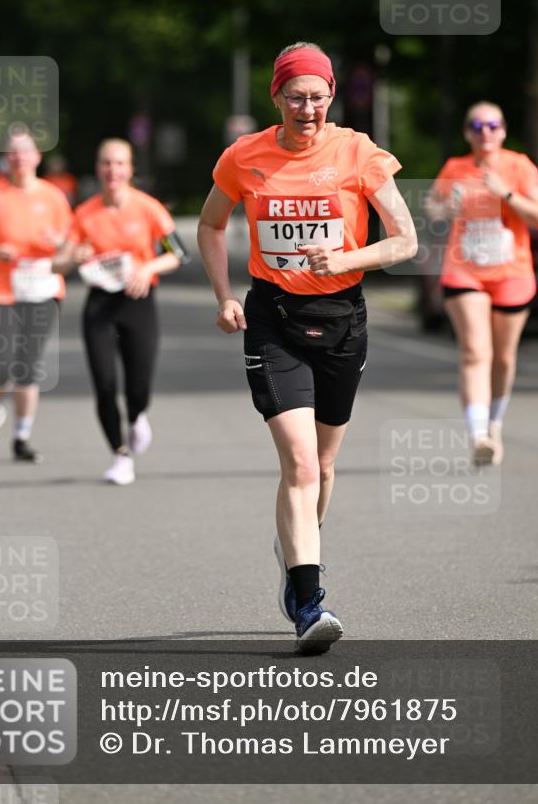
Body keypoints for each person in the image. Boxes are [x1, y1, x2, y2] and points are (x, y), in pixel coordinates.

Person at [198, 42, 417, 652]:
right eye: (296, 97)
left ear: (331, 97)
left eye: (318, 96)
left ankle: (298, 549)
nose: (308, 109)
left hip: (343, 318)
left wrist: (344, 258)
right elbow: (210, 224)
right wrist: (224, 295)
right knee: (297, 462)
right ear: (277, 97)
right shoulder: (245, 156)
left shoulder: (357, 152)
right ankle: (309, 601)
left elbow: (404, 241)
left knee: (321, 466)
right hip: (274, 318)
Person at [426, 101, 538, 466]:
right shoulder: (455, 168)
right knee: (475, 351)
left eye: (493, 125)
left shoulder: (519, 166)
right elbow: (431, 208)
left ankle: (494, 424)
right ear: (468, 133)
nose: (486, 132)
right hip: (464, 270)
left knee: (504, 358)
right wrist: (444, 210)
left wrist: (505, 193)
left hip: (512, 272)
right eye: (478, 126)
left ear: (503, 131)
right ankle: (479, 435)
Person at [58, 139, 187, 484]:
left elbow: (178, 253)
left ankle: (136, 416)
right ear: (97, 168)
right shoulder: (84, 213)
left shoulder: (148, 208)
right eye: (106, 163)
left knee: (138, 385)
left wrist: (148, 268)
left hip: (138, 302)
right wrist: (73, 257)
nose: (112, 170)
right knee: (104, 383)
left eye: (119, 164)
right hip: (100, 305)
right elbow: (58, 262)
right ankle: (120, 454)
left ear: (130, 169)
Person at [0, 127, 73, 462]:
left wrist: (58, 244)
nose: (19, 157)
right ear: (6, 158)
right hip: (1, 289)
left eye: (25, 150)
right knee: (2, 362)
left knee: (27, 365)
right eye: (13, 151)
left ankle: (21, 436)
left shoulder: (53, 196)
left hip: (43, 288)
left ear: (37, 156)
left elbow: (71, 242)